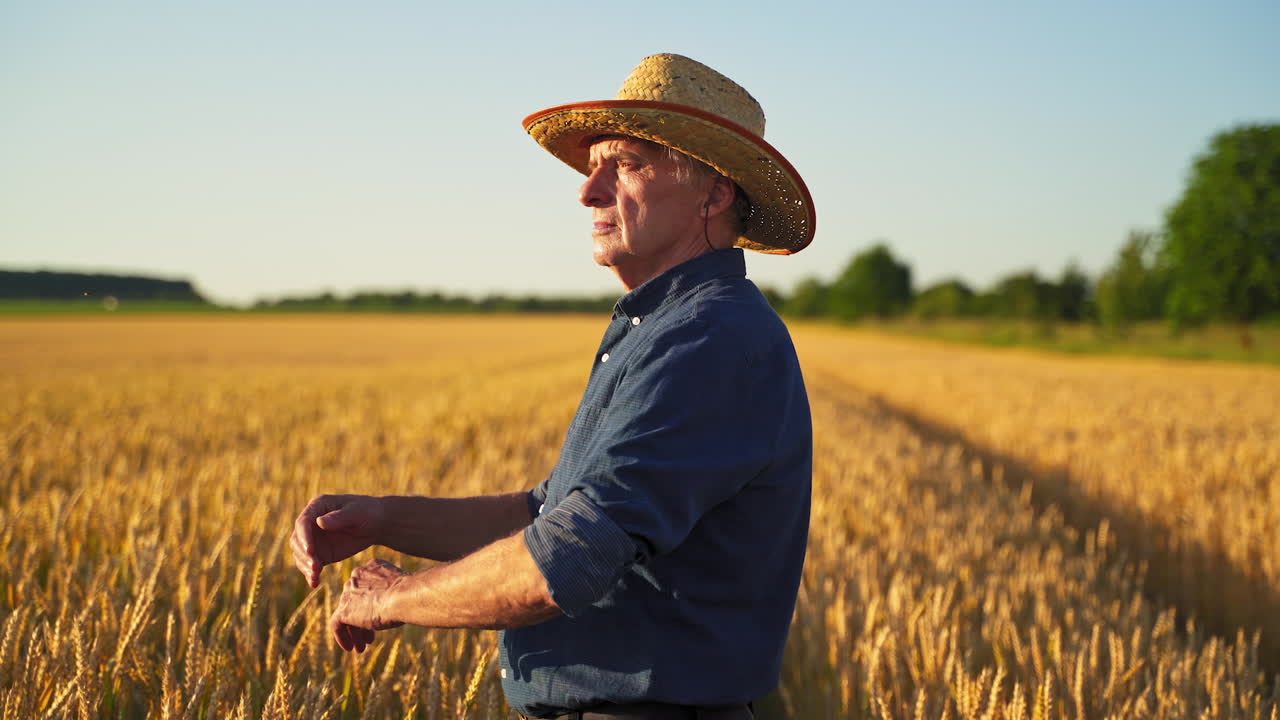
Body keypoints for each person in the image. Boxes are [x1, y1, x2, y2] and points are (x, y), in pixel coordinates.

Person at [290, 53, 816, 720]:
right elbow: (547, 516)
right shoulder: (668, 327)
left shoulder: (712, 338)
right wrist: (384, 520)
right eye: (591, 166)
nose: (587, 191)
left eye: (623, 165)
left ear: (713, 194)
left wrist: (395, 598)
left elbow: (568, 557)